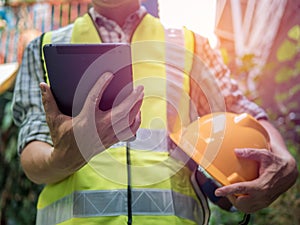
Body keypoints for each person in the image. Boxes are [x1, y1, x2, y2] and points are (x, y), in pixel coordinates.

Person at [12, 0, 298, 225]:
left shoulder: (192, 46)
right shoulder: (44, 48)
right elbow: (32, 154)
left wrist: (285, 162)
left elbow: (240, 111)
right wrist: (63, 158)